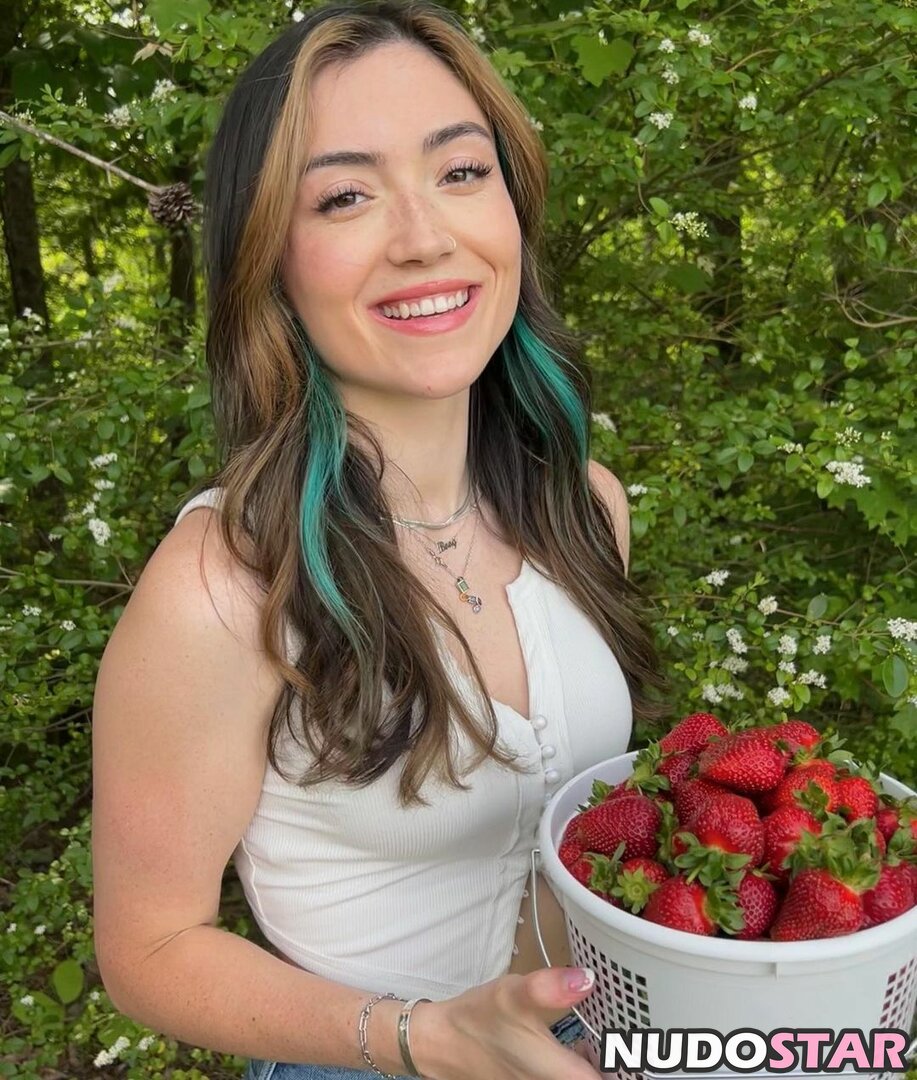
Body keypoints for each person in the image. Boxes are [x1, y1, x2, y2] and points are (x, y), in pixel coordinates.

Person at [90, 1, 665, 1077]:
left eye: (460, 172)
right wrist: (421, 1037)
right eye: (344, 196)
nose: (423, 237)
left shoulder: (584, 505)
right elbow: (149, 949)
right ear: (268, 257)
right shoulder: (223, 585)